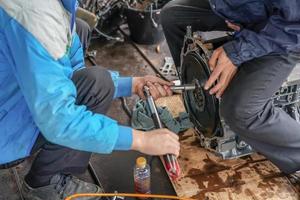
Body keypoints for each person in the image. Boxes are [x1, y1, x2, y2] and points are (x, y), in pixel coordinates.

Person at [0, 1, 180, 200]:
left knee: (81, 30)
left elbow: (72, 75)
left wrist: (133, 84)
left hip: (13, 96)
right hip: (5, 135)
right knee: (94, 86)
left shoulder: (54, 8)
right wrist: (141, 140)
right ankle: (44, 184)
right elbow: (59, 119)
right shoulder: (35, 15)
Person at [161, 0, 300, 175]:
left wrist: (238, 51)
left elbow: (294, 25)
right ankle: (199, 99)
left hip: (285, 34)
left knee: (241, 111)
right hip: (254, 12)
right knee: (172, 15)